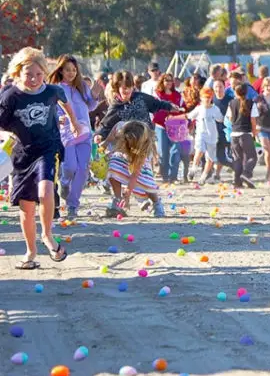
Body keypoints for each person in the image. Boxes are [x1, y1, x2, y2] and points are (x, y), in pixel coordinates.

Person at [0, 48, 81, 269]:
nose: (34, 79)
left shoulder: (52, 91)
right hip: (21, 155)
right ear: (18, 73)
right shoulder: (10, 95)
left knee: (45, 191)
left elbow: (66, 104)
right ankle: (30, 252)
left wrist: (74, 124)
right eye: (28, 74)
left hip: (48, 148)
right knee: (26, 207)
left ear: (44, 72)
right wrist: (6, 134)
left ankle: (47, 236)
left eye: (38, 74)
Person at [95, 71, 179, 215]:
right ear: (116, 88)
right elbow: (106, 124)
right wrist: (98, 135)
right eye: (122, 87)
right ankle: (117, 200)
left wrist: (169, 106)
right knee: (114, 165)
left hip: (144, 143)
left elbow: (157, 104)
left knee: (142, 176)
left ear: (133, 87)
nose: (126, 90)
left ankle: (156, 203)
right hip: (124, 145)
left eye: (129, 87)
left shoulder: (141, 98)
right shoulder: (116, 105)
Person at [47, 55, 98, 221]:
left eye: (74, 70)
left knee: (83, 169)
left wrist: (95, 96)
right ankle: (65, 183)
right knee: (70, 167)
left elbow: (91, 106)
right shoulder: (55, 88)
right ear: (61, 70)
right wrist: (58, 118)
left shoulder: (82, 86)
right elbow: (50, 109)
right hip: (66, 133)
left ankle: (72, 205)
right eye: (68, 69)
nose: (71, 73)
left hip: (84, 132)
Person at [101, 121, 164, 216]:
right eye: (128, 140)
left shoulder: (142, 151)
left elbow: (135, 174)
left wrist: (128, 192)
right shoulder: (123, 136)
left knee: (148, 186)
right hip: (124, 161)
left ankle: (157, 204)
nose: (129, 144)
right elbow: (116, 147)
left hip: (140, 168)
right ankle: (117, 199)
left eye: (132, 143)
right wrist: (106, 153)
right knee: (113, 163)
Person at [177, 87, 223, 185]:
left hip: (212, 136)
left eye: (209, 97)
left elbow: (220, 119)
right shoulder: (199, 108)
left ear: (212, 98)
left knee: (210, 159)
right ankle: (193, 169)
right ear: (201, 98)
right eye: (205, 97)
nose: (207, 99)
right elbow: (189, 116)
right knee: (199, 151)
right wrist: (175, 117)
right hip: (201, 135)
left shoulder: (215, 109)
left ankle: (203, 176)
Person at [152, 73, 185, 183]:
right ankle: (165, 176)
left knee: (176, 150)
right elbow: (155, 110)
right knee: (163, 152)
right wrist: (165, 117)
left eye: (170, 80)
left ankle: (173, 176)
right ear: (162, 81)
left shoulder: (178, 95)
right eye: (166, 80)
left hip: (175, 126)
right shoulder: (157, 95)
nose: (169, 82)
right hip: (161, 126)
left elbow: (182, 109)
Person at [227, 83, 258, 188]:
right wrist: (255, 133)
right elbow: (253, 121)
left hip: (234, 134)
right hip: (246, 133)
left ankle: (237, 181)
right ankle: (246, 173)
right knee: (252, 157)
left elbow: (230, 118)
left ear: (235, 92)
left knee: (237, 159)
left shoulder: (231, 103)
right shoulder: (251, 103)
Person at [212, 79, 235, 182]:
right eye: (216, 87)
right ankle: (237, 168)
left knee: (226, 156)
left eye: (220, 87)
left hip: (228, 131)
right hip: (214, 132)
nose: (218, 89)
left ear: (224, 87)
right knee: (220, 156)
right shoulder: (211, 100)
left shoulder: (230, 100)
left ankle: (238, 169)